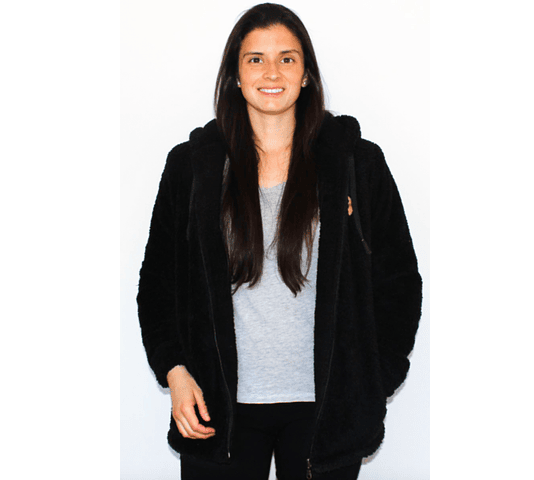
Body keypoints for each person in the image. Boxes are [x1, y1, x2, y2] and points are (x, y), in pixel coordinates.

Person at [137, 3, 422, 479]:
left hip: (325, 413)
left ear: (306, 73)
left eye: (287, 58)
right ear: (235, 74)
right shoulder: (191, 167)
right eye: (256, 59)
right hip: (218, 410)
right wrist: (175, 371)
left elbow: (399, 283)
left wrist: (372, 382)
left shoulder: (357, 163)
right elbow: (157, 285)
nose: (272, 72)